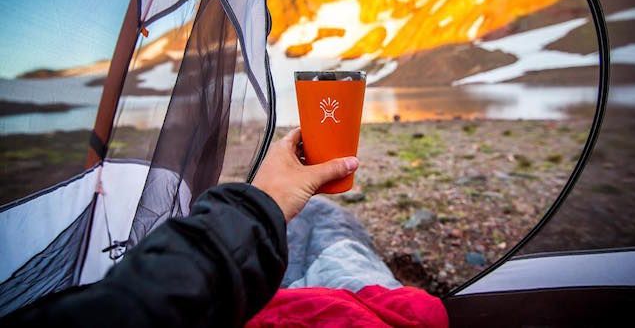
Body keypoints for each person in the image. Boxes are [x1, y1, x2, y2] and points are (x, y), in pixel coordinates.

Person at [2, 129, 447, 327]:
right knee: (335, 229)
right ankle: (306, 226)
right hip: (358, 303)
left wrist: (262, 206)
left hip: (262, 299)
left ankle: (295, 228)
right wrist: (260, 205)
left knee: (312, 232)